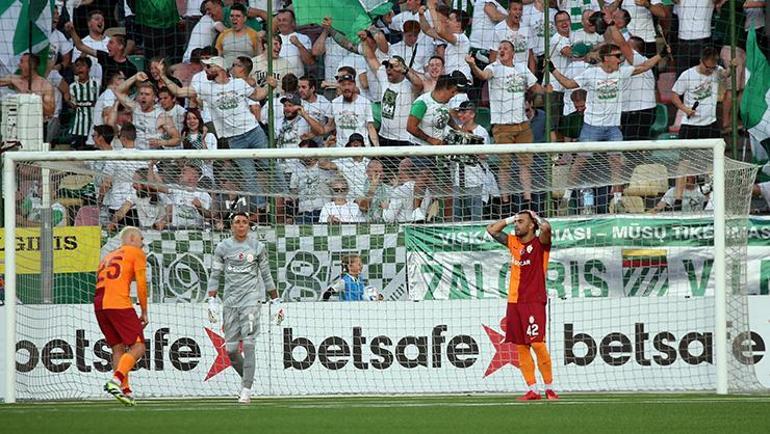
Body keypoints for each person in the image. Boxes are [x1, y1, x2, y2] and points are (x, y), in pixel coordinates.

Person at [206, 212, 283, 404]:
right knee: (231, 351)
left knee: (249, 343)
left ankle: (246, 391)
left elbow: (266, 275)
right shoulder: (222, 248)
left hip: (251, 301)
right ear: (231, 226)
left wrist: (276, 301)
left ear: (249, 226)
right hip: (230, 302)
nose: (241, 225)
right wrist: (211, 300)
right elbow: (215, 275)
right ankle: (247, 378)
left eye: (244, 222)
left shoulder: (258, 247)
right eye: (237, 222)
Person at [486, 210, 558, 401]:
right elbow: (491, 230)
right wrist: (510, 218)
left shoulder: (540, 244)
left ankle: (549, 388)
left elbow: (547, 228)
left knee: (537, 343)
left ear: (531, 225)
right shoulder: (513, 242)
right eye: (515, 222)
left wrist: (537, 217)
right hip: (514, 301)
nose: (516, 225)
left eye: (520, 222)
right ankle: (533, 389)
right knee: (521, 346)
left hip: (533, 300)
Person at [95, 226, 148, 406]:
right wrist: (144, 311)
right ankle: (116, 380)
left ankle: (125, 390)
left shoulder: (107, 257)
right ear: (132, 238)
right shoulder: (135, 252)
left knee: (118, 348)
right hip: (118, 303)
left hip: (100, 305)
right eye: (141, 239)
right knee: (139, 346)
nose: (143, 244)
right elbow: (141, 284)